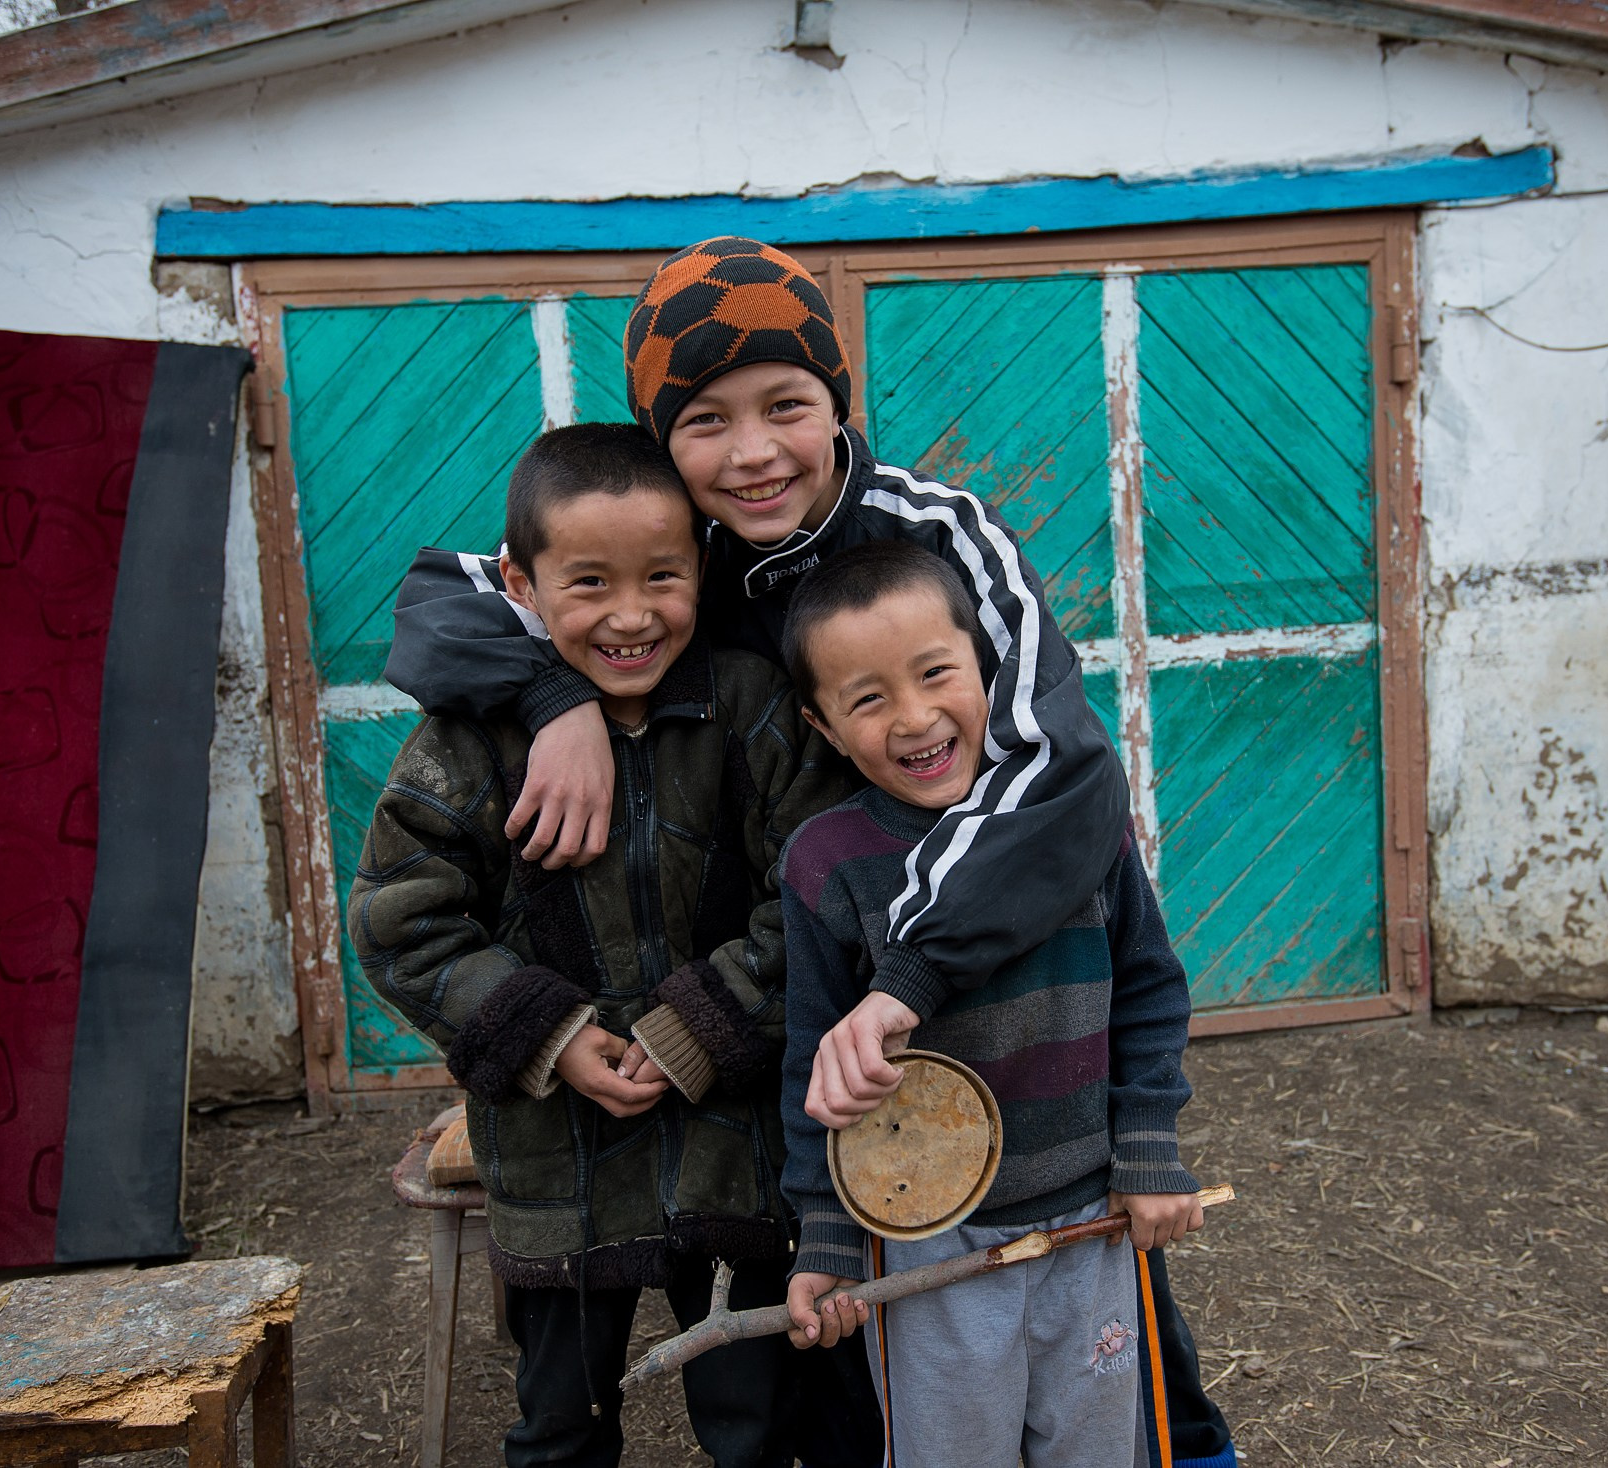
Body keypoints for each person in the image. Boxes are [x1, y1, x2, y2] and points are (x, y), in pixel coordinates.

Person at [383, 235, 1240, 1468]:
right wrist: (549, 698)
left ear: (840, 401)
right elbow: (443, 592)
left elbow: (1060, 769)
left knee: (1103, 1301)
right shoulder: (683, 550)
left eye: (787, 405)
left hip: (1006, 971)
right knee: (859, 1323)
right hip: (819, 987)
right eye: (705, 421)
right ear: (659, 439)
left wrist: (911, 975)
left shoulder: (941, 536)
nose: (752, 452)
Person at [348, 423, 852, 1468]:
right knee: (559, 1429)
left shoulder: (752, 711)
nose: (632, 614)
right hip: (554, 1163)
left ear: (703, 566)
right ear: (518, 584)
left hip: (731, 1147)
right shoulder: (466, 742)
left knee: (758, 1421)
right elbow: (403, 919)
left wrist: (692, 1031)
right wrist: (554, 1035)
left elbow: (817, 893)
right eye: (588, 583)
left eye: (663, 575)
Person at [774, 540, 1205, 1468]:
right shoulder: (826, 865)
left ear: (993, 670)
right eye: (869, 698)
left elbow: (1150, 990)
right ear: (823, 727)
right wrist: (829, 1239)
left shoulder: (1078, 818)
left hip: (1090, 1217)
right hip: (927, 1243)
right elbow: (815, 1060)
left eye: (937, 674)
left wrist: (1149, 1151)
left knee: (1095, 1446)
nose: (916, 717)